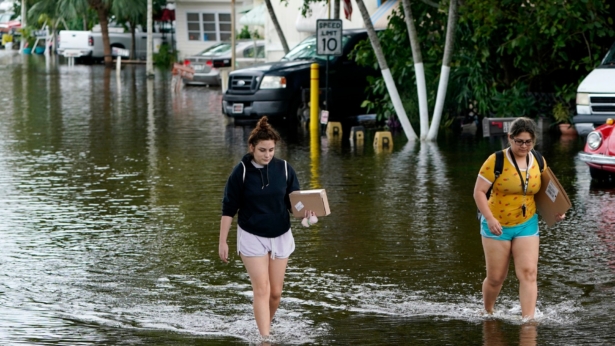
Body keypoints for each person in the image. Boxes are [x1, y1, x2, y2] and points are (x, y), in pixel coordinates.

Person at [473, 117, 565, 319]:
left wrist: (556, 211)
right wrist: (489, 219)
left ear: (534, 141)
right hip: (497, 224)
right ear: (510, 138)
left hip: (526, 224)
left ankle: (528, 321)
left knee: (529, 273)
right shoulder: (495, 161)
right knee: (496, 278)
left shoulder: (539, 161)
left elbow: (545, 192)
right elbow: (479, 192)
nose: (524, 146)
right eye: (519, 141)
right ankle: (487, 312)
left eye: (528, 142)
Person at [218, 116, 301, 339]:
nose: (267, 155)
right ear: (252, 147)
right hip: (251, 234)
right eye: (263, 150)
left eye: (271, 150)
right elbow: (228, 208)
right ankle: (265, 340)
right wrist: (223, 241)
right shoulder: (241, 172)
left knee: (275, 294)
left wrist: (308, 212)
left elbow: (295, 204)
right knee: (262, 289)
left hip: (280, 234)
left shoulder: (284, 169)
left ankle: (264, 325)